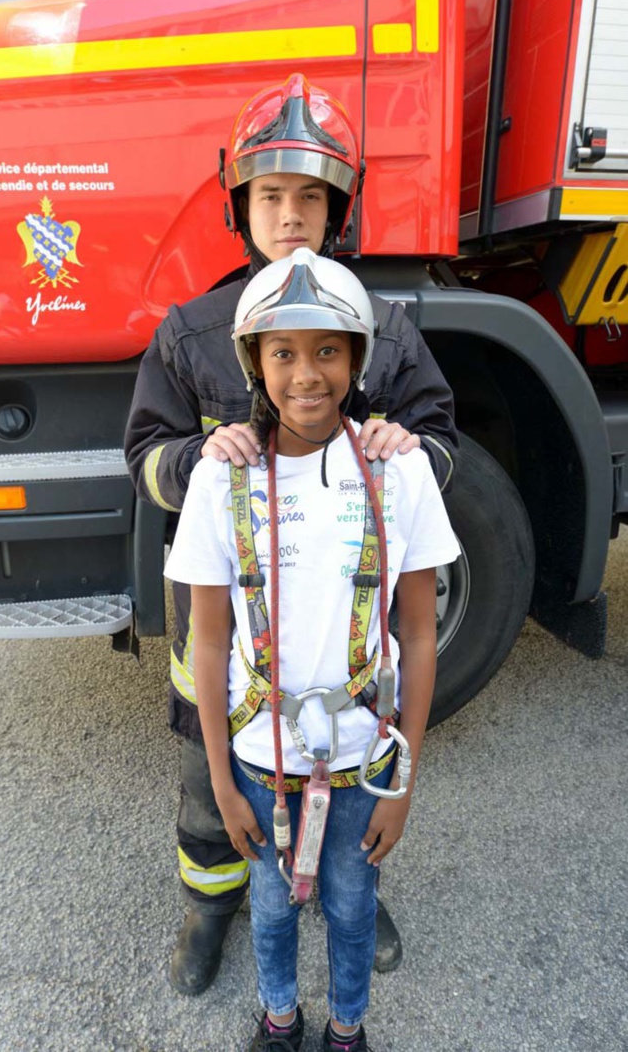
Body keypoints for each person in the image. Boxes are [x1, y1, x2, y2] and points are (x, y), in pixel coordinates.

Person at [124, 72, 458, 996]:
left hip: (342, 627)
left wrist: (406, 447)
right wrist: (202, 463)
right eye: (270, 195)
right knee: (213, 775)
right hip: (226, 627)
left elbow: (441, 441)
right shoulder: (190, 330)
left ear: (338, 210)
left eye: (310, 197)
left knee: (350, 772)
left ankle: (353, 885)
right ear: (240, 204)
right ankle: (212, 901)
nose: (290, 216)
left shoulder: (380, 328)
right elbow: (145, 454)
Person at [163, 248, 460, 1051]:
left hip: (364, 758)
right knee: (269, 908)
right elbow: (210, 641)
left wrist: (403, 782)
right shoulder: (219, 481)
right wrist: (222, 781)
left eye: (327, 349)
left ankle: (346, 1028)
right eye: (283, 352)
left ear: (358, 358)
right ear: (254, 363)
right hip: (259, 762)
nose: (306, 374)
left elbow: (420, 634)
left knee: (352, 904)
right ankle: (280, 1018)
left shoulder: (398, 473)